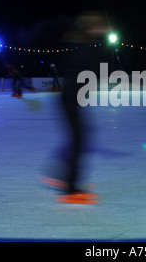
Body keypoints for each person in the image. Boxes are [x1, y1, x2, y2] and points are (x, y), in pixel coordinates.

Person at [40, 11, 109, 204]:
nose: (103, 29)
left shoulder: (81, 44)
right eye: (100, 25)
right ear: (91, 27)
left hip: (71, 99)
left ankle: (62, 177)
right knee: (80, 140)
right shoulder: (84, 47)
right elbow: (95, 71)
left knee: (78, 139)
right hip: (70, 99)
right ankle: (70, 188)